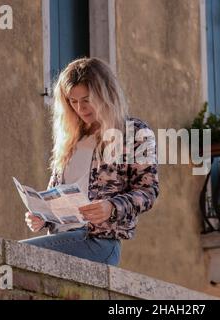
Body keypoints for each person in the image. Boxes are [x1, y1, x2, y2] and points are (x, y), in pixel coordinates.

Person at [19, 57, 159, 266]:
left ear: (106, 95)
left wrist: (111, 207)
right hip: (62, 237)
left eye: (86, 99)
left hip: (98, 242)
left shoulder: (134, 132)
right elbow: (56, 196)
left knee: (15, 255)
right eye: (72, 101)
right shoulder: (70, 140)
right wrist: (42, 217)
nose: (80, 108)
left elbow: (148, 191)